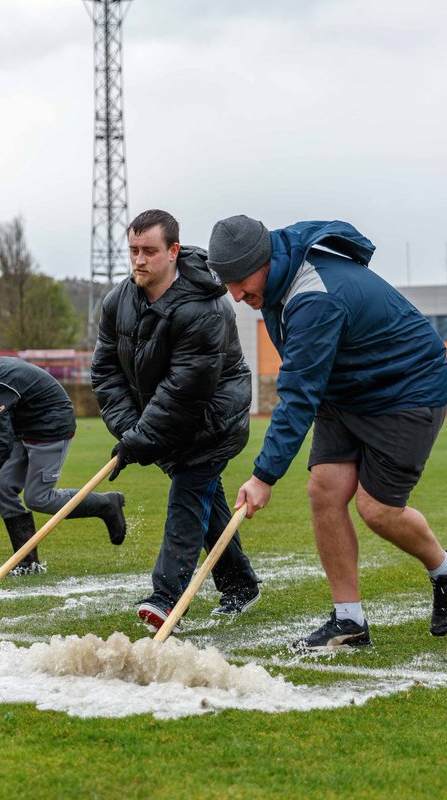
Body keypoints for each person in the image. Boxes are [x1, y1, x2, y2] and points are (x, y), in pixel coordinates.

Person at [207, 215, 447, 652]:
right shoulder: (273, 278)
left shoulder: (314, 298)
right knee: (324, 491)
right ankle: (348, 622)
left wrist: (263, 477)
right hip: (346, 389)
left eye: (239, 281)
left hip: (405, 387)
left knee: (377, 509)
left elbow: (296, 396)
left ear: (264, 261)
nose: (236, 294)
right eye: (227, 282)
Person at [91, 209, 261, 630]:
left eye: (149, 251)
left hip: (212, 419)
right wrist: (130, 430)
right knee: (209, 503)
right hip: (160, 421)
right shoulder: (117, 301)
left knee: (189, 492)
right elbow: (105, 370)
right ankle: (240, 583)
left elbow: (184, 391)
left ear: (173, 251)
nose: (139, 260)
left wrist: (140, 438)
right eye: (133, 250)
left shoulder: (206, 309)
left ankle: (167, 597)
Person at [0, 331, 126, 572]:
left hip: (51, 427)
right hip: (23, 429)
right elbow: (3, 438)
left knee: (38, 498)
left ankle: (107, 504)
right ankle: (27, 562)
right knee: (2, 486)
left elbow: (1, 445)